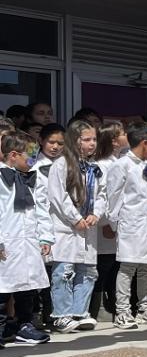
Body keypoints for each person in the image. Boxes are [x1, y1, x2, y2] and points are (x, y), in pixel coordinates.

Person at [47, 120, 106, 333]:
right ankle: (62, 315)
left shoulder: (94, 167)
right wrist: (74, 217)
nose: (92, 143)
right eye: (86, 139)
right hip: (67, 227)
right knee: (64, 271)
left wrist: (95, 213)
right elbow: (57, 195)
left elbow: (102, 195)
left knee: (88, 271)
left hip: (88, 227)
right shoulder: (61, 164)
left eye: (94, 139)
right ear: (74, 140)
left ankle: (80, 312)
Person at [108, 122, 147, 330]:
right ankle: (122, 311)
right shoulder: (122, 165)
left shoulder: (146, 165)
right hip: (130, 222)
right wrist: (113, 222)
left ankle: (145, 308)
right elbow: (114, 196)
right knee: (128, 266)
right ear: (145, 143)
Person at [0, 131, 53, 345]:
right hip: (7, 239)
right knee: (3, 286)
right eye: (30, 157)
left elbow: (43, 208)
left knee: (28, 285)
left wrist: (46, 237)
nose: (34, 161)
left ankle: (24, 325)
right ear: (13, 155)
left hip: (29, 239)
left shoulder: (36, 177)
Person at [89, 121, 127, 319]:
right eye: (123, 133)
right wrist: (107, 223)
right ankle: (98, 308)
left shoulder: (117, 161)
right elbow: (104, 196)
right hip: (106, 225)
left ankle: (112, 306)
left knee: (115, 266)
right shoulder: (102, 165)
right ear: (113, 141)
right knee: (103, 266)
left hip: (118, 223)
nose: (126, 136)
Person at [31, 123, 65, 329]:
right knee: (40, 271)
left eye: (60, 143)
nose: (55, 147)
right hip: (41, 224)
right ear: (41, 141)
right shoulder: (34, 165)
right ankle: (37, 314)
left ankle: (55, 313)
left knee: (59, 272)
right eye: (51, 142)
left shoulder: (68, 164)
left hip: (62, 224)